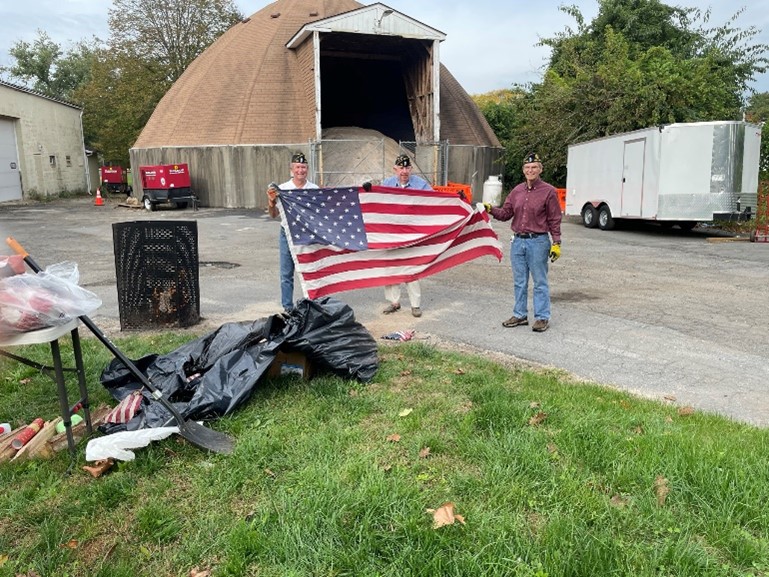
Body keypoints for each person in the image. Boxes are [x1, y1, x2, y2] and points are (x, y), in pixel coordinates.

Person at [484, 152, 562, 332]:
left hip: (538, 242)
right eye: (527, 167)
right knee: (520, 281)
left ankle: (542, 317)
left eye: (534, 167)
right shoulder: (517, 191)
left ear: (540, 169)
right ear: (523, 170)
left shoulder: (548, 191)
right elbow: (505, 214)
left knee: (540, 282)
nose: (530, 170)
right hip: (518, 242)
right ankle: (520, 314)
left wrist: (556, 242)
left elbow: (554, 219)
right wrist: (490, 209)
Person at [379, 153, 433, 318]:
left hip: (412, 234)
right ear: (395, 169)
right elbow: (377, 201)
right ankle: (394, 302)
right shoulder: (387, 184)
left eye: (407, 168)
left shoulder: (420, 185)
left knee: (412, 268)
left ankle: (415, 305)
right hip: (392, 234)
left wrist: (454, 199)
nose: (404, 171)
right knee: (391, 267)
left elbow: (435, 200)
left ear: (411, 169)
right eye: (401, 168)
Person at [266, 152, 318, 313]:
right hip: (287, 233)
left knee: (310, 271)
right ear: (291, 169)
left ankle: (312, 305)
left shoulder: (314, 189)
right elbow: (273, 215)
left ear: (307, 169)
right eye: (297, 167)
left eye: (303, 167)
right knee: (286, 273)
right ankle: (287, 308)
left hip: (306, 234)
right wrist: (271, 201)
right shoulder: (283, 189)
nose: (300, 170)